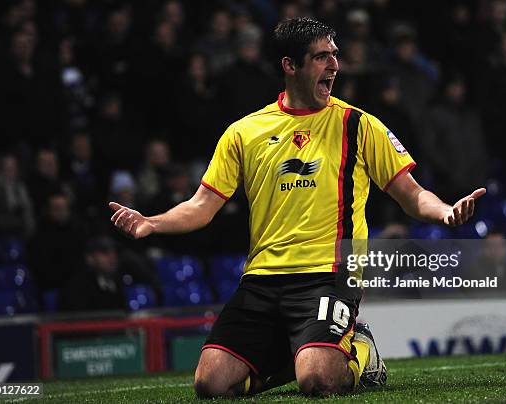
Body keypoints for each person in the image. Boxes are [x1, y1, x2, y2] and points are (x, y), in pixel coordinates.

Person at [109, 17, 485, 398]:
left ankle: (361, 354)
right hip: (261, 280)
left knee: (319, 381)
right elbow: (201, 207)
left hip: (330, 275)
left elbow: (411, 194)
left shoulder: (358, 125)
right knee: (211, 385)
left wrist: (444, 211)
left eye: (334, 56)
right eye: (322, 57)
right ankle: (307, 352)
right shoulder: (244, 132)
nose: (334, 65)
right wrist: (151, 223)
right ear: (290, 65)